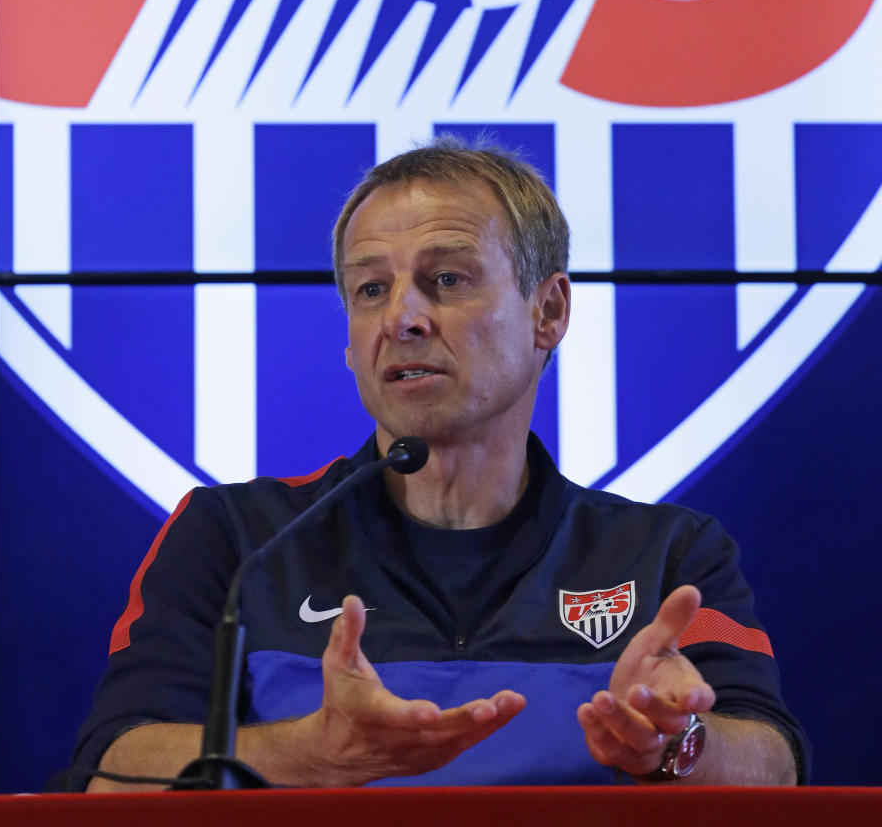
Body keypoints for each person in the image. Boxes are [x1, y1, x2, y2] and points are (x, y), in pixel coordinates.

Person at [75, 139, 806, 790]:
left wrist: (677, 743)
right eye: (370, 289)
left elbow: (774, 765)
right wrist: (312, 752)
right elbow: (111, 770)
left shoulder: (667, 554)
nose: (402, 317)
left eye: (446, 279)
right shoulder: (238, 540)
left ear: (547, 312)